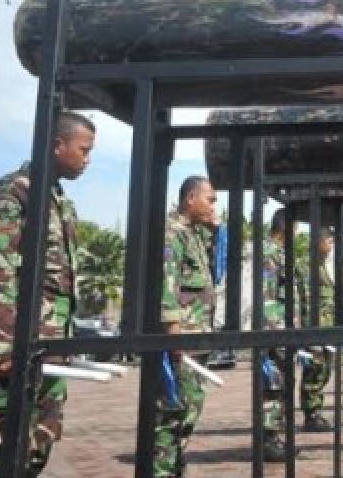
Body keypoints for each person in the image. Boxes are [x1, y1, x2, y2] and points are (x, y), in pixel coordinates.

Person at [0, 111, 95, 476]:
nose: (87, 160)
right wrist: (5, 348)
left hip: (47, 345)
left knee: (40, 440)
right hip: (14, 350)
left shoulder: (58, 200)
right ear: (57, 145)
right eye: (83, 150)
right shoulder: (9, 196)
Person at [154, 176, 218, 477]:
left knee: (191, 405)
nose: (214, 206)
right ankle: (163, 467)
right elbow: (167, 283)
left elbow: (216, 272)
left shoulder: (195, 234)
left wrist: (216, 231)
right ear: (190, 198)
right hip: (181, 336)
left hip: (197, 335)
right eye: (210, 199)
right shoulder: (172, 233)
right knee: (175, 407)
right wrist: (172, 332)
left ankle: (175, 461)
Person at [259, 209, 297, 462]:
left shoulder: (281, 253)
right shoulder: (270, 253)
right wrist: (275, 332)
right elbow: (268, 294)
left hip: (283, 327)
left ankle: (275, 437)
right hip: (274, 329)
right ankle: (268, 441)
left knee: (282, 386)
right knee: (272, 386)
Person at [296, 227, 336, 432]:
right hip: (315, 328)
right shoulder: (305, 267)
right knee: (314, 372)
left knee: (323, 372)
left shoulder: (321, 267)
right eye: (329, 241)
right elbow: (303, 300)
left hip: (326, 328)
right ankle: (311, 414)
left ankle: (315, 411)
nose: (331, 245)